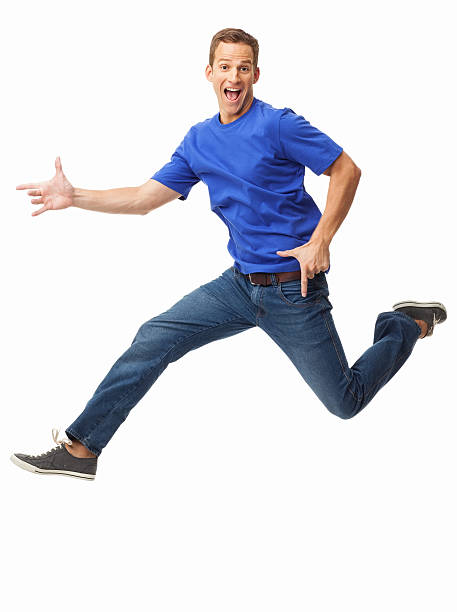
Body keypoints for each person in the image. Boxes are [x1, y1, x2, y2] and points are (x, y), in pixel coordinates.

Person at [11, 28, 446, 481]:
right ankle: (81, 450)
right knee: (153, 338)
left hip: (293, 289)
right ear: (210, 73)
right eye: (225, 67)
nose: (233, 77)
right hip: (239, 286)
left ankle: (403, 325)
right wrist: (74, 195)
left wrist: (321, 240)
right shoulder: (199, 141)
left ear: (255, 74)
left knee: (345, 402)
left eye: (243, 67)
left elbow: (346, 169)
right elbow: (142, 199)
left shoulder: (278, 124)